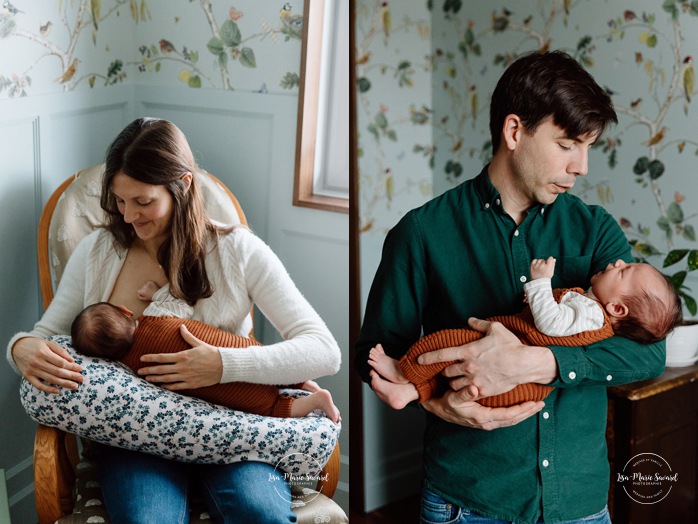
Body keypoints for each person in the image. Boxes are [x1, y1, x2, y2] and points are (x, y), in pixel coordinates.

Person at [355, 50, 667, 524]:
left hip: (579, 504)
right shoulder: (422, 232)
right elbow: (375, 355)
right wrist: (440, 405)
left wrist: (538, 361)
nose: (581, 166)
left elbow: (649, 352)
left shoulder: (596, 231)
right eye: (567, 145)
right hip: (467, 500)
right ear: (515, 131)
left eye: (588, 148)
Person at [7, 117, 341, 523]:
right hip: (135, 440)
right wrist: (21, 348)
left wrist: (221, 365)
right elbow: (47, 336)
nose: (128, 216)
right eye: (120, 201)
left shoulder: (238, 252)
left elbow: (324, 350)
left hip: (233, 427)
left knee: (260, 514)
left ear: (182, 185)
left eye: (143, 202)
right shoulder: (99, 251)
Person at [368, 257, 681, 410]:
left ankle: (402, 369)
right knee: (450, 372)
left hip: (518, 358)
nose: (618, 261)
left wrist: (540, 284)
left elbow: (550, 324)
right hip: (515, 388)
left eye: (624, 271)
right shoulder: (592, 308)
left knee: (447, 342)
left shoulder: (590, 311)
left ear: (617, 310)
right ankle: (410, 392)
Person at [71, 297, 341, 422]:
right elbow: (179, 301)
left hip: (240, 397)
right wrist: (154, 290)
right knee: (268, 361)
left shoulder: (137, 371)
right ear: (124, 309)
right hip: (241, 350)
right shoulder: (156, 315)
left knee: (273, 408)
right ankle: (304, 382)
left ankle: (315, 401)